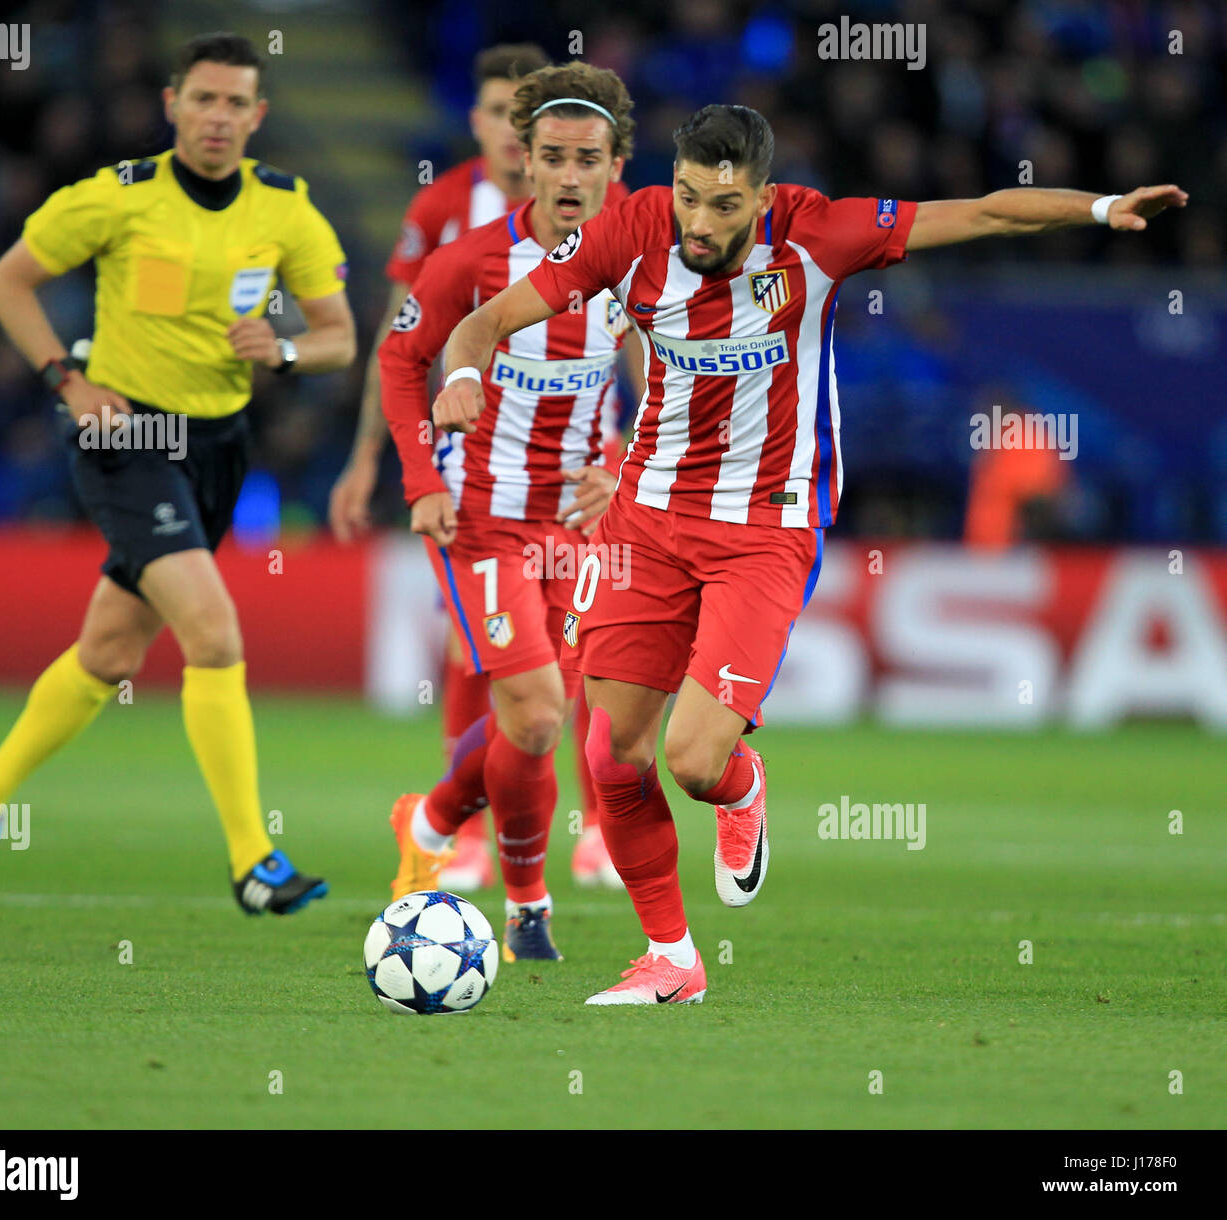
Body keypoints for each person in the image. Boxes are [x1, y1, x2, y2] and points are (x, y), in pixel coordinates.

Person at [427, 103, 1187, 1003]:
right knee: (611, 755)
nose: (701, 223)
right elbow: (483, 323)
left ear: (760, 197)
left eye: (724, 204)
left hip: (765, 527)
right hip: (647, 523)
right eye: (688, 198)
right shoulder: (626, 232)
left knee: (696, 762)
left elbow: (979, 210)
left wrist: (1101, 209)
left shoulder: (819, 232)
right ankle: (672, 958)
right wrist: (467, 371)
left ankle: (743, 789)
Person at [0, 32, 356, 914]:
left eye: (234, 102)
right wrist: (68, 379)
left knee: (110, 651)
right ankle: (255, 863)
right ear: (173, 105)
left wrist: (283, 348)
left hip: (217, 447)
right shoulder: (117, 197)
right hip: (126, 439)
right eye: (202, 99)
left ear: (257, 115)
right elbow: (7, 283)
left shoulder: (286, 210)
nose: (217, 117)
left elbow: (340, 336)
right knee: (214, 634)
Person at [329, 42, 624, 891]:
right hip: (477, 505)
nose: (561, 168)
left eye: (584, 156)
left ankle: (462, 817)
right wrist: (406, 476)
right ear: (507, 141)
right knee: (510, 686)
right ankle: (469, 842)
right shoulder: (457, 229)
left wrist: (625, 466)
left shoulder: (636, 241)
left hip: (576, 509)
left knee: (568, 691)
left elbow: (666, 367)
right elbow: (399, 349)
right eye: (506, 122)